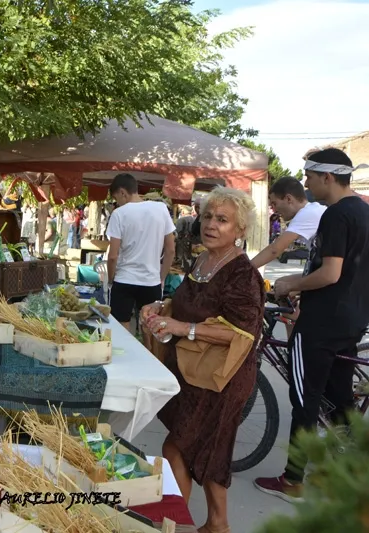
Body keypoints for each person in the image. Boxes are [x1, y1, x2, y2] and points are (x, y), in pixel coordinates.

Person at [143, 187, 264, 533]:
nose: (211, 224)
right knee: (209, 449)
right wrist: (162, 308)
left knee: (177, 447)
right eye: (208, 216)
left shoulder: (243, 274)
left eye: (223, 220)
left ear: (240, 230)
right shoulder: (203, 261)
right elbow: (191, 305)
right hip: (192, 372)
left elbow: (242, 333)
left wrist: (183, 327)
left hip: (220, 378)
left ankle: (171, 524)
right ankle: (216, 523)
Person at [254, 148, 369, 502]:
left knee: (305, 400)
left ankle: (293, 481)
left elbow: (330, 273)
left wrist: (292, 284)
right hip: (352, 320)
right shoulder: (364, 211)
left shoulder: (336, 215)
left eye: (309, 177)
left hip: (321, 324)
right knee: (340, 398)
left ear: (327, 178)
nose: (306, 184)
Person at [107, 173, 175, 332]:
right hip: (151, 281)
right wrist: (161, 278)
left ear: (123, 193)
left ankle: (125, 349)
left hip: (124, 279)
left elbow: (112, 256)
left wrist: (110, 279)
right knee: (151, 329)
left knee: (121, 329)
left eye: (116, 198)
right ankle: (148, 349)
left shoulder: (119, 214)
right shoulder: (161, 209)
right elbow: (171, 250)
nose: (117, 203)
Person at [251, 177, 326, 269]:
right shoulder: (312, 209)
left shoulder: (306, 213)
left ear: (288, 199)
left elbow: (274, 250)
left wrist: (243, 269)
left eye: (274, 204)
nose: (274, 210)